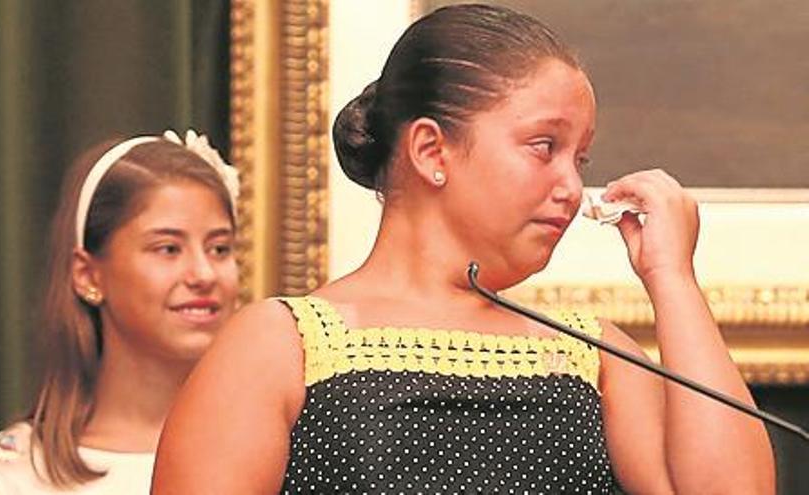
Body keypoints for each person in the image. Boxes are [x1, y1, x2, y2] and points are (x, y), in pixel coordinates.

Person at [153, 4, 775, 494]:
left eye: (579, 158)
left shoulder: (596, 356)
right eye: (542, 146)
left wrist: (671, 276)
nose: (570, 185)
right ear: (431, 150)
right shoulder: (280, 345)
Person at [0, 130, 240, 494]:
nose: (204, 274)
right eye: (168, 248)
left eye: (219, 248)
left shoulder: (274, 449)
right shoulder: (7, 476)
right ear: (88, 276)